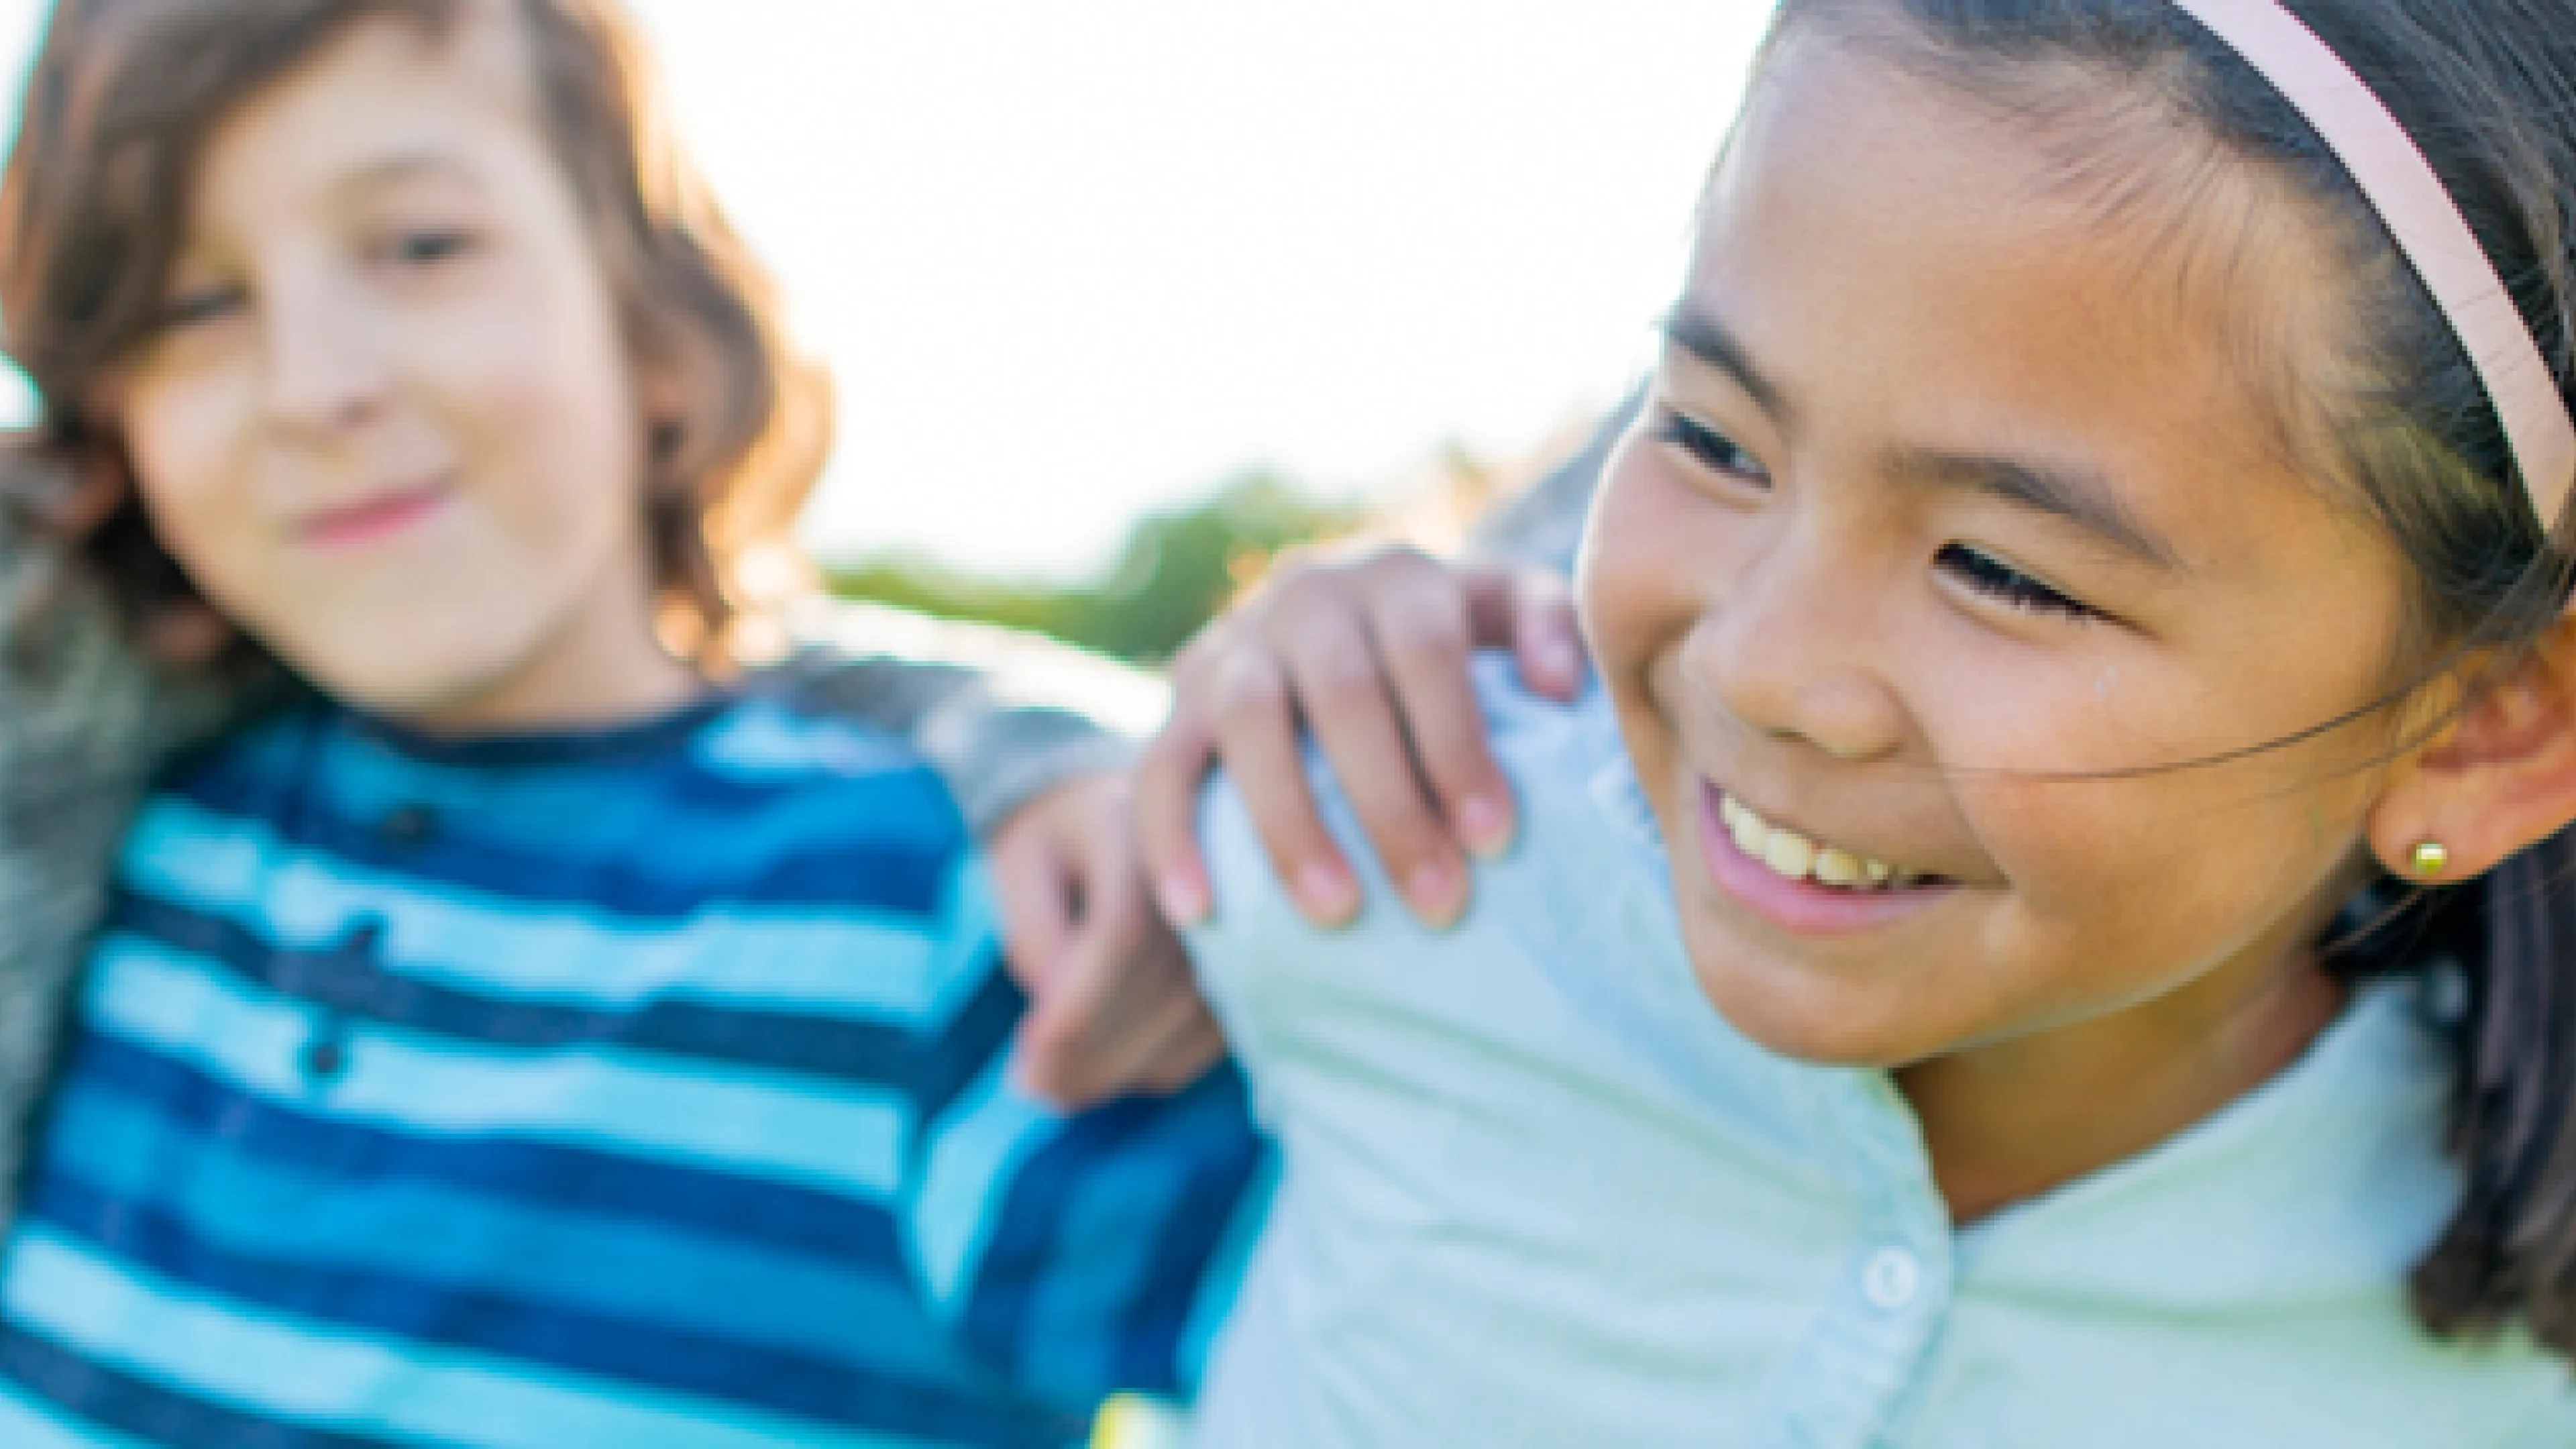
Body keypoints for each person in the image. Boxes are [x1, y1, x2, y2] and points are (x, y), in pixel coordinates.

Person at [1156, 1, 2576, 1442]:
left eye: (2006, 575)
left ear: (2490, 728)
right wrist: (1036, 750)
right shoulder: (1379, 855)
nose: (1761, 670)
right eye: (1712, 438)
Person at [0, 0, 1263, 1442]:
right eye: (190, 306)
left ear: (654, 324)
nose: (314, 387)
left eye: (423, 245)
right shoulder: (111, 836)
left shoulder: (959, 915)